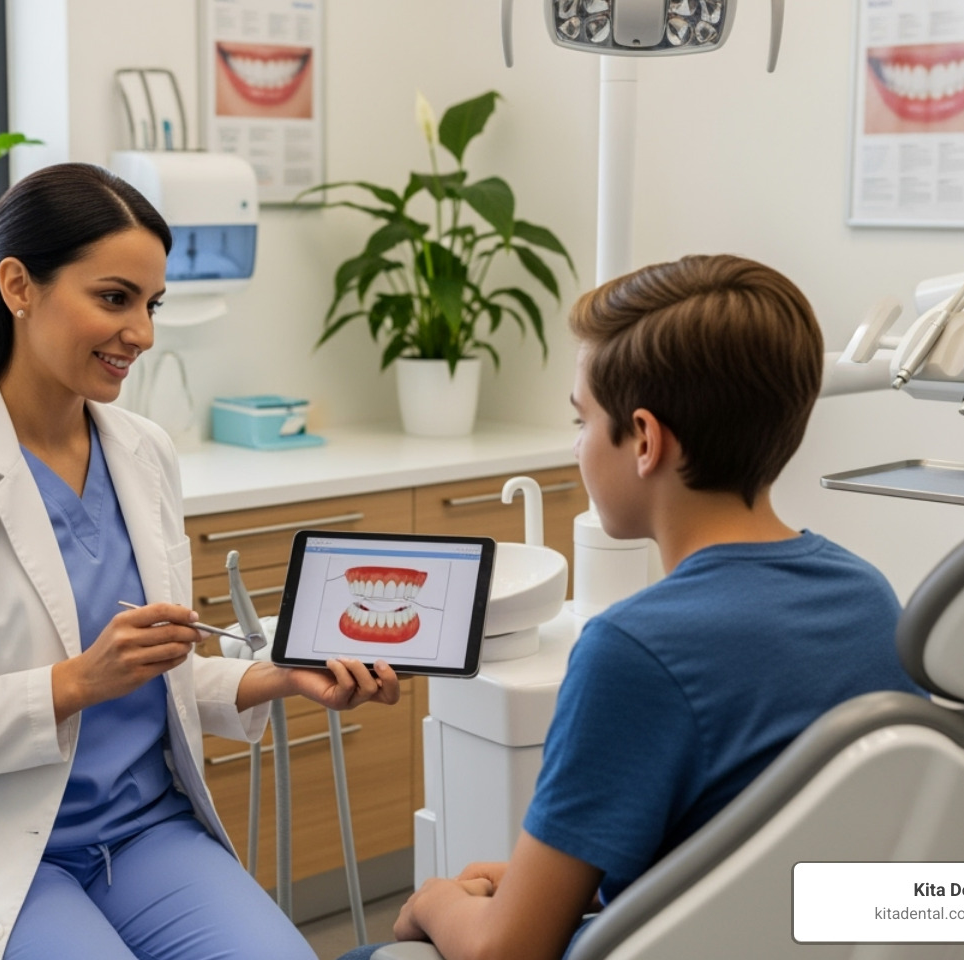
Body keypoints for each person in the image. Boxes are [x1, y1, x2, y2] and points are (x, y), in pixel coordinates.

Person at [0, 162, 399, 960]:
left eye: (150, 304)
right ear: (18, 285)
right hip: (2, 852)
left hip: (145, 832)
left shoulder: (143, 453)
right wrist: (78, 682)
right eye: (114, 298)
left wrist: (279, 674)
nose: (140, 332)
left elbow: (161, 674)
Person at [341, 254, 921, 960]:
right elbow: (752, 840)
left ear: (645, 440)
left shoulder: (633, 648)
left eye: (581, 420)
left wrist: (433, 904)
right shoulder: (865, 595)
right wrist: (551, 882)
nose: (579, 446)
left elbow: (507, 953)